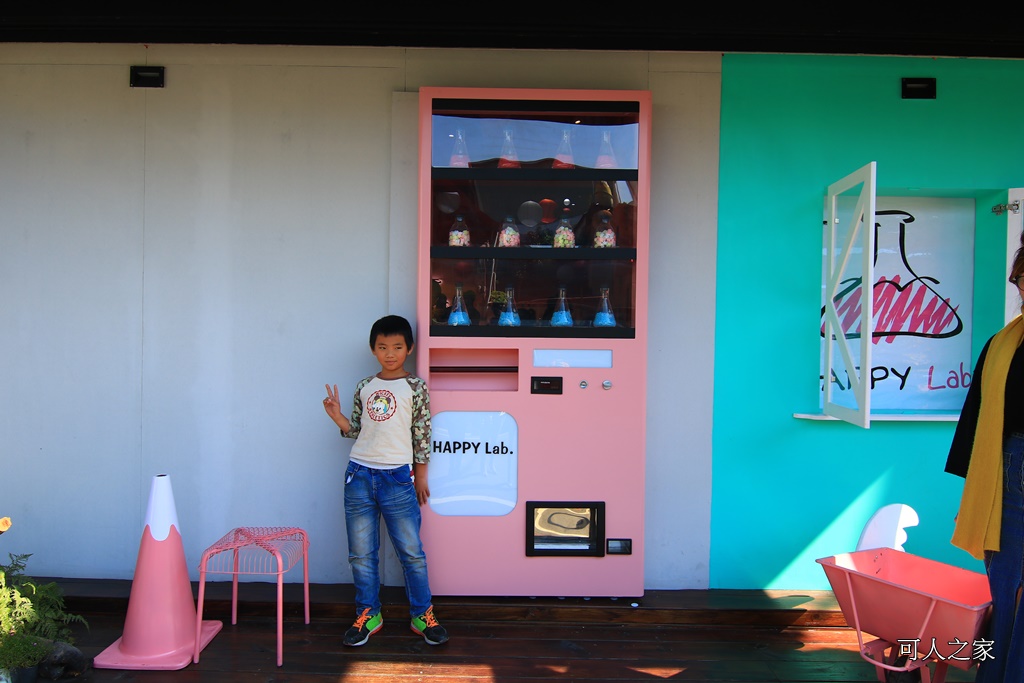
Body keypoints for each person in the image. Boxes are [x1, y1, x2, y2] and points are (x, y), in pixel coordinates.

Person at [322, 314, 449, 647]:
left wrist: (420, 474)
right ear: (373, 349)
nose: (389, 353)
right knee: (361, 554)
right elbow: (359, 431)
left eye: (396, 346)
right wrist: (337, 417)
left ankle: (423, 614)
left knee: (411, 552)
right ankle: (368, 613)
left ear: (408, 349)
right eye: (382, 347)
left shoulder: (415, 387)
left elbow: (422, 433)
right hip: (359, 475)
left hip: (397, 478)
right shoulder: (365, 386)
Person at [946, 237, 1024, 682]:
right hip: (1010, 468)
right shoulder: (1005, 344)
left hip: (1010, 468)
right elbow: (980, 420)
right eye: (1021, 280)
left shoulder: (1007, 343)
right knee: (1007, 593)